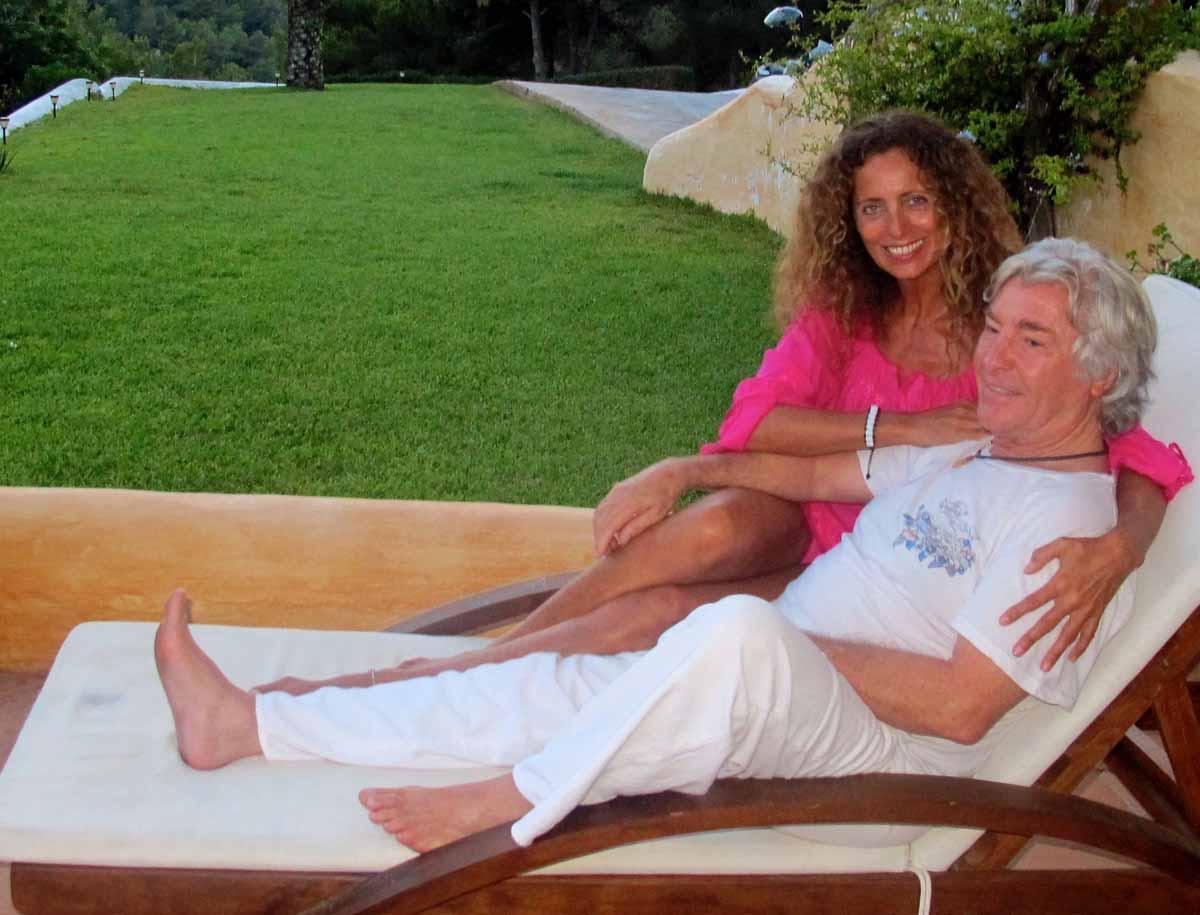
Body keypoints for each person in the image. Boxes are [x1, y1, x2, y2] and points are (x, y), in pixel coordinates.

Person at [159, 238, 1161, 854]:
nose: (992, 356)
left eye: (1031, 339)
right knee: (554, 683)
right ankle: (246, 724)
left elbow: (959, 708)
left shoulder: (1070, 531)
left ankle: (517, 800)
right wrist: (682, 470)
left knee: (728, 632)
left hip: (881, 764)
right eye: (994, 327)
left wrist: (778, 641)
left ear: (1100, 376)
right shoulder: (970, 447)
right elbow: (817, 476)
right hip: (772, 687)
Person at [256, 113, 1190, 703]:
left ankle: (457, 680)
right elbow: (757, 425)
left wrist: (1121, 547)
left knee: (662, 608)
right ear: (847, 222)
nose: (895, 228)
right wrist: (901, 426)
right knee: (710, 528)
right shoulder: (847, 312)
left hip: (882, 569)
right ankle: (454, 673)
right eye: (871, 208)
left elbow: (1137, 451)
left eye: (915, 201)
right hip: (810, 510)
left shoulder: (1011, 323)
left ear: (954, 206)